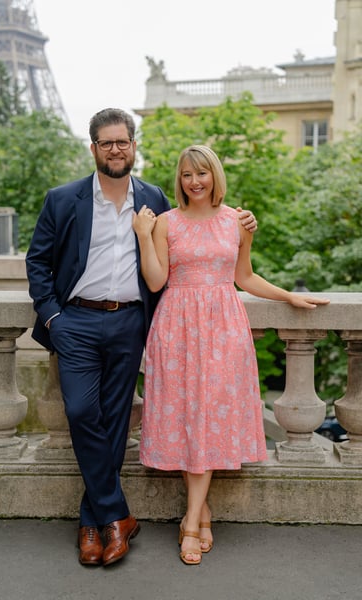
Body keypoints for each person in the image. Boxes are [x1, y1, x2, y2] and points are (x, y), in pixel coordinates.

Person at [25, 110, 258, 567]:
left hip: (131, 323)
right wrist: (53, 318)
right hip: (76, 322)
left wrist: (242, 219)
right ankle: (115, 514)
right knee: (79, 410)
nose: (116, 149)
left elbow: (201, 229)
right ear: (93, 148)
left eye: (123, 142)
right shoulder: (63, 198)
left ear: (134, 146)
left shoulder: (153, 200)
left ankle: (95, 526)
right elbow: (38, 263)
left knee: (114, 422)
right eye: (106, 142)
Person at [132, 144, 330, 566]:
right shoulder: (166, 222)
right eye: (187, 174)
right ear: (180, 180)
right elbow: (154, 281)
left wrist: (288, 295)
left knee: (208, 415)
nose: (195, 181)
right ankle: (199, 514)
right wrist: (143, 236)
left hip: (223, 328)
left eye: (202, 173)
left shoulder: (236, 221)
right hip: (177, 326)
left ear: (214, 176)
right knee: (188, 415)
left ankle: (192, 519)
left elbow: (244, 276)